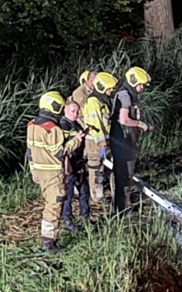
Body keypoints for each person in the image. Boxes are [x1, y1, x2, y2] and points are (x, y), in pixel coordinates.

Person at [26, 91, 70, 252]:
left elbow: (29, 151)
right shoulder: (53, 129)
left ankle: (48, 239)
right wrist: (76, 141)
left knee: (48, 203)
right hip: (52, 173)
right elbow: (60, 152)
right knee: (53, 206)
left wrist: (33, 170)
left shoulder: (31, 125)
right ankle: (48, 242)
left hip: (39, 171)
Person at [109, 66, 153, 213]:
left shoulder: (127, 94)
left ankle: (124, 204)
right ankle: (120, 210)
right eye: (141, 85)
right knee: (123, 175)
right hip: (122, 141)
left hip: (126, 141)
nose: (141, 88)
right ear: (134, 82)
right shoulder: (125, 95)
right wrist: (141, 125)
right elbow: (123, 119)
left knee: (126, 174)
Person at [82, 71, 117, 204]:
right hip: (95, 142)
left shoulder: (105, 100)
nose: (112, 90)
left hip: (105, 142)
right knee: (96, 170)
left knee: (105, 169)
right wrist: (103, 144)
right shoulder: (93, 102)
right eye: (110, 88)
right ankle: (97, 197)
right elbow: (95, 124)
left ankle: (108, 192)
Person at [58, 100, 89, 231]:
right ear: (65, 110)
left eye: (77, 111)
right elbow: (63, 147)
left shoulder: (75, 124)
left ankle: (85, 218)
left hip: (79, 161)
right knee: (68, 194)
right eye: (72, 111)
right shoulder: (62, 125)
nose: (75, 114)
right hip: (69, 163)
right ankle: (66, 219)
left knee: (84, 192)